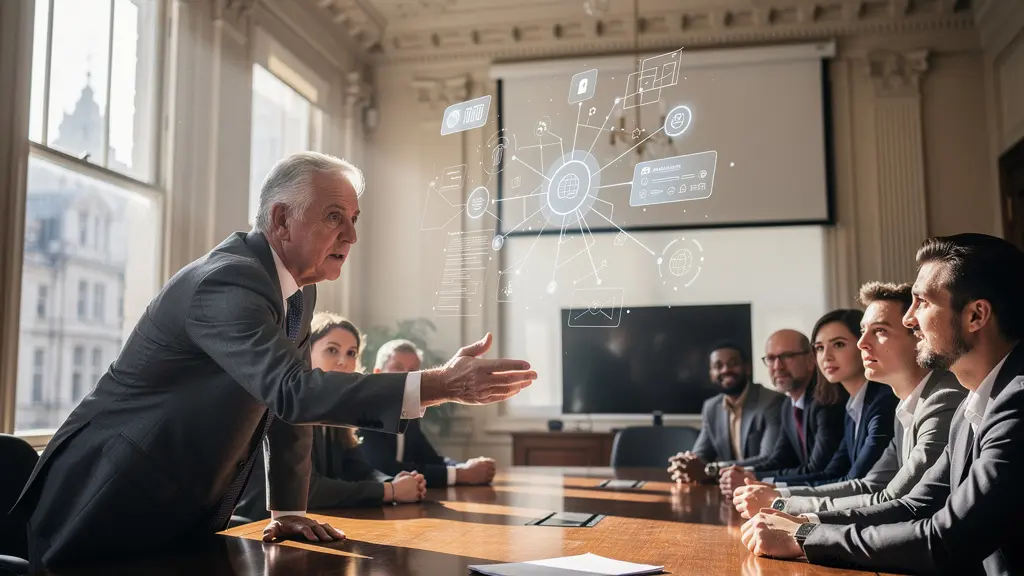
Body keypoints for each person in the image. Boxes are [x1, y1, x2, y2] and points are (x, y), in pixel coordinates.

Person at [12, 152, 538, 571]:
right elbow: (293, 390)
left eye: (354, 220)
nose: (351, 237)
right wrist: (439, 383)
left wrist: (288, 511)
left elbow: (284, 409)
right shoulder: (228, 281)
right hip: (106, 500)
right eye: (336, 218)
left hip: (174, 508)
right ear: (282, 219)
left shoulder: (296, 292)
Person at [741, 233, 1024, 575]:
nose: (910, 319)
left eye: (922, 302)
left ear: (976, 315)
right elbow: (913, 503)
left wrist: (803, 535)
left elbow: (947, 537)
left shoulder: (1016, 400)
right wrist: (804, 525)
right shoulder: (973, 406)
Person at [733, 283, 964, 517]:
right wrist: (780, 497)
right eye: (863, 331)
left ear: (918, 334)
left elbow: (894, 500)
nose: (862, 343)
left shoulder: (940, 400)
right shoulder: (903, 406)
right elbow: (868, 485)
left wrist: (781, 504)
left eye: (880, 331)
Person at [236, 314, 427, 521]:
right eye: (332, 350)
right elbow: (307, 489)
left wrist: (395, 481)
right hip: (257, 528)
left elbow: (357, 468)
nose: (343, 361)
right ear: (306, 353)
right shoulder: (283, 406)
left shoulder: (339, 414)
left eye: (351, 353)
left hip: (314, 523)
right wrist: (389, 491)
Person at [738, 310, 898, 491]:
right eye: (820, 348)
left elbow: (856, 482)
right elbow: (833, 473)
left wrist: (775, 491)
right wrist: (764, 484)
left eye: (838, 344)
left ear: (864, 345)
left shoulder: (882, 402)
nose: (826, 356)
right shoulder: (851, 407)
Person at [716, 329, 847, 496]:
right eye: (771, 359)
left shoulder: (826, 402)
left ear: (810, 360)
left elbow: (817, 469)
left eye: (787, 356)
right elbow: (780, 460)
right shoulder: (787, 405)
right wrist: (741, 472)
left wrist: (756, 479)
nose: (777, 366)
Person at [359, 340, 496, 487]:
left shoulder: (408, 414)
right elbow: (385, 469)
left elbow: (432, 459)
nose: (406, 376)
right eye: (397, 368)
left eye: (413, 371)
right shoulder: (366, 413)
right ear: (377, 373)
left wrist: (467, 467)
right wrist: (462, 474)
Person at [667, 342, 784, 484]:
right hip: (727, 489)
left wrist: (712, 469)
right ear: (711, 374)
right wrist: (686, 466)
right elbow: (702, 455)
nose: (725, 370)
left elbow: (768, 458)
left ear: (747, 368)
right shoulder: (711, 407)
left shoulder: (772, 402)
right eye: (718, 366)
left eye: (733, 364)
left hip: (763, 486)